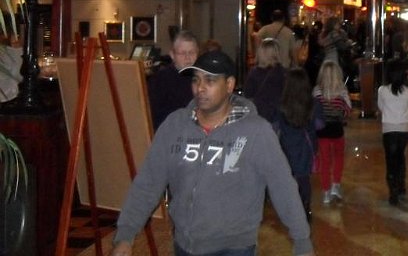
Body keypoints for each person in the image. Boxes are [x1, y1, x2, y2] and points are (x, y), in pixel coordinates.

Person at [110, 50, 313, 256]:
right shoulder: (175, 125)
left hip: (233, 248)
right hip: (184, 245)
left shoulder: (256, 132)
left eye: (210, 80)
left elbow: (283, 187)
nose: (200, 87)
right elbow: (149, 181)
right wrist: (126, 234)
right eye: (196, 80)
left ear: (229, 85)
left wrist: (302, 241)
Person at [274, 67, 323, 222]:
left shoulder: (281, 105)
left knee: (288, 180)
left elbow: (276, 126)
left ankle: (290, 210)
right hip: (306, 147)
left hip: (287, 147)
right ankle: (305, 207)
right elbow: (320, 125)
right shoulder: (313, 104)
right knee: (304, 180)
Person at [377, 59, 408, 205]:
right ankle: (401, 184)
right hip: (403, 129)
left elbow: (381, 107)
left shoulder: (382, 90)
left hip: (389, 129)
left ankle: (393, 190)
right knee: (400, 157)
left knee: (390, 160)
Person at [313, 60, 352, 205]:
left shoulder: (317, 91)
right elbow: (347, 110)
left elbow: (313, 111)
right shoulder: (342, 91)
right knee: (338, 157)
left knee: (325, 161)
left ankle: (326, 192)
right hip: (337, 130)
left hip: (322, 131)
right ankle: (336, 185)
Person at [146, 30, 199, 130]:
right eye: (182, 53)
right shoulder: (160, 80)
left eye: (192, 52)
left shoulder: (202, 78)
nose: (188, 57)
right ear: (172, 55)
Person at [243, 37, 286, 123]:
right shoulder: (283, 72)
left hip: (259, 114)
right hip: (278, 115)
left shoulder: (254, 73)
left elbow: (247, 94)